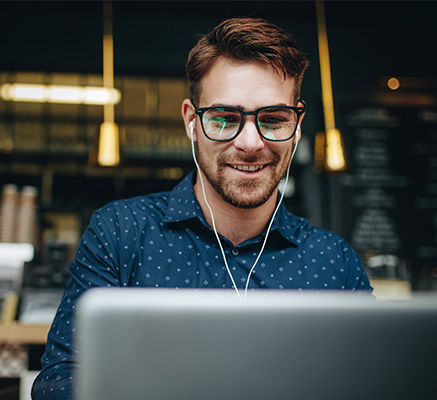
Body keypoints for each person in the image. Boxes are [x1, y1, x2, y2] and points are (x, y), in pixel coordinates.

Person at [32, 16, 372, 400]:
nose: (250, 143)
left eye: (273, 119)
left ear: (297, 125)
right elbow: (58, 383)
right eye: (225, 118)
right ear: (192, 122)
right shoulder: (121, 232)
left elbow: (376, 383)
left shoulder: (334, 263)